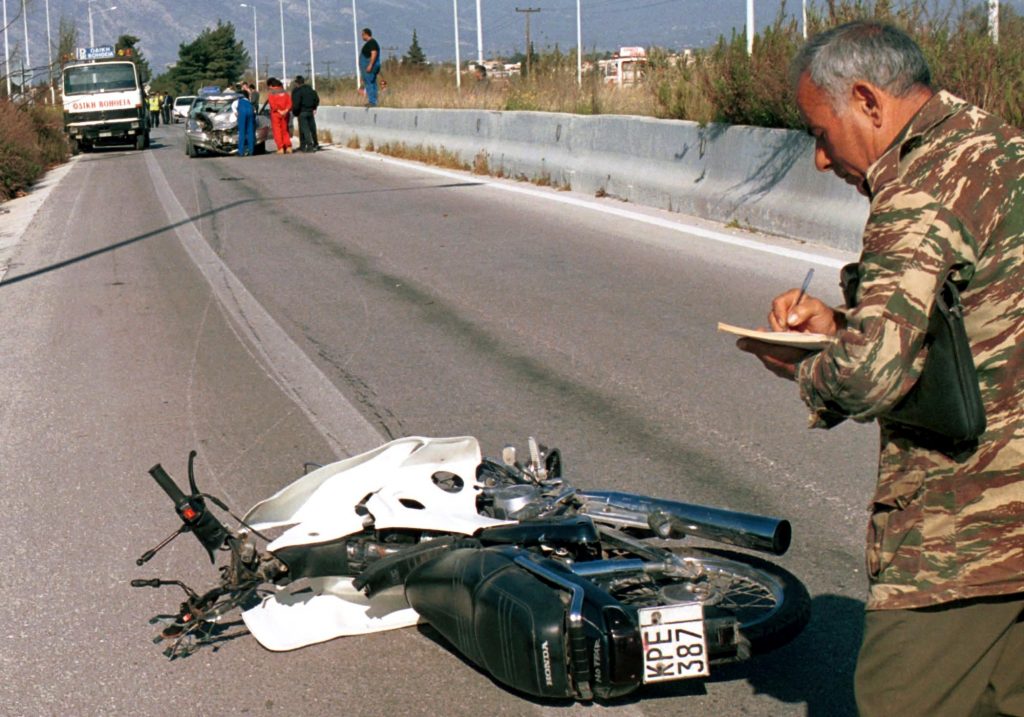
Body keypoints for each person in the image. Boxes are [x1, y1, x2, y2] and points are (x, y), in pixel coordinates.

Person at [736, 21, 1024, 717]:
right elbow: (973, 315)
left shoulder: (920, 186)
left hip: (967, 531)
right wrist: (839, 323)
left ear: (867, 100)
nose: (821, 160)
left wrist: (803, 369)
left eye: (821, 131)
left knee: (900, 699)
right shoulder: (996, 145)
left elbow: (872, 374)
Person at [290, 75, 320, 152]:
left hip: (302, 112)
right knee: (312, 128)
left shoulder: (297, 91)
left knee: (305, 129)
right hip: (310, 111)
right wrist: (314, 107)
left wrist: (295, 112)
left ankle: (309, 146)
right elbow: (316, 99)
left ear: (297, 83)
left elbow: (296, 103)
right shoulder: (310, 90)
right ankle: (314, 144)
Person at [266, 77, 292, 154]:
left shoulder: (271, 93)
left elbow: (272, 104)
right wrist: (286, 110)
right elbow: (290, 103)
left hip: (276, 114)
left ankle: (280, 148)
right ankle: (288, 147)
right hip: (285, 114)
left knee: (277, 131)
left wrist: (279, 111)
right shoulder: (285, 92)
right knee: (285, 130)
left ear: (271, 85)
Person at [360, 28, 381, 107]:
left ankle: (372, 101)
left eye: (362, 34)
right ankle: (374, 100)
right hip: (370, 66)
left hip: (370, 66)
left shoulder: (372, 43)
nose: (362, 37)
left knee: (369, 83)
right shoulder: (371, 43)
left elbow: (374, 53)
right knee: (372, 82)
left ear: (366, 34)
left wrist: (370, 64)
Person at [234, 88, 257, 157]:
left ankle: (241, 152)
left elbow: (235, 112)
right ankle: (251, 151)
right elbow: (254, 111)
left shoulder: (237, 101)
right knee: (250, 132)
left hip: (242, 112)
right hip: (250, 111)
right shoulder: (249, 102)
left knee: (242, 132)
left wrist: (237, 114)